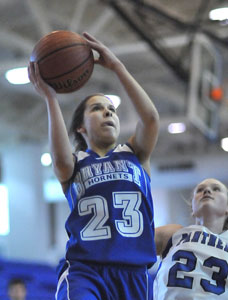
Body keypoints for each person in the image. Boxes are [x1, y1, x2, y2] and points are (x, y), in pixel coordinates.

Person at [28, 32, 159, 300]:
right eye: (98, 108)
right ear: (80, 126)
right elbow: (60, 159)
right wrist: (51, 99)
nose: (108, 112)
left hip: (134, 272)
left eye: (112, 109)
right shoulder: (74, 164)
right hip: (86, 271)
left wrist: (118, 68)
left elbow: (151, 118)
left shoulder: (136, 154)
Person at [154, 178, 228, 299]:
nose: (207, 191)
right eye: (200, 190)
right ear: (192, 208)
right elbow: (130, 242)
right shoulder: (174, 233)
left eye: (216, 189)